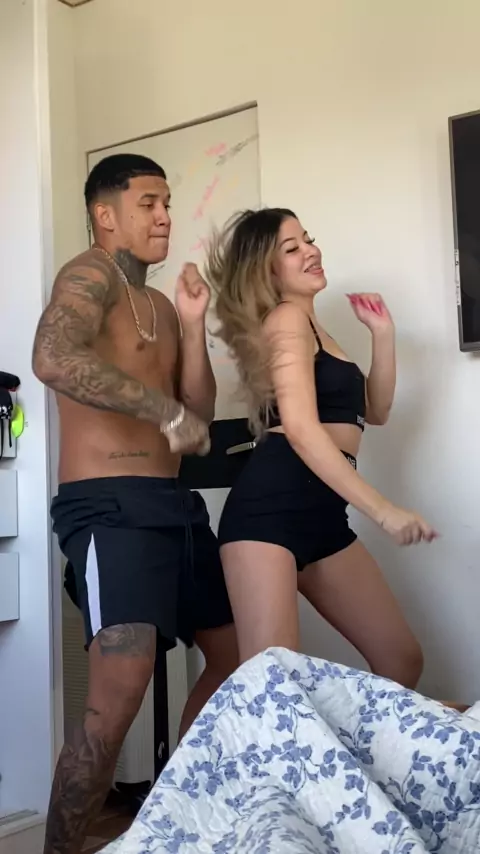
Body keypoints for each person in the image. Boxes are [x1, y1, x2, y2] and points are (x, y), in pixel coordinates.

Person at [32, 153, 238, 854]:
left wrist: (195, 324)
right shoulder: (88, 274)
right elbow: (53, 357)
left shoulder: (160, 306)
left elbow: (196, 413)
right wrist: (161, 411)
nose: (164, 216)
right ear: (105, 214)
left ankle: (173, 818)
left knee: (238, 659)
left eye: (167, 203)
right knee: (120, 688)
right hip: (108, 507)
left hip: (174, 504)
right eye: (148, 203)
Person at [205, 207, 438, 685]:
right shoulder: (287, 319)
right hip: (271, 510)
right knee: (273, 685)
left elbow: (375, 410)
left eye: (307, 239)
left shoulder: (318, 331)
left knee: (400, 658)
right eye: (292, 248)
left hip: (323, 513)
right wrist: (383, 511)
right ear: (267, 271)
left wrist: (383, 334)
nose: (311, 251)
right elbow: (300, 428)